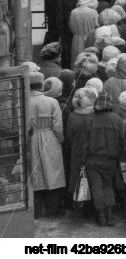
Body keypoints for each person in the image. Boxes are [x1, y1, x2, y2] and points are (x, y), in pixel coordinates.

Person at [81, 92, 126, 226]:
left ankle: (101, 217)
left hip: (93, 160)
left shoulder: (90, 119)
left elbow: (84, 143)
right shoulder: (117, 119)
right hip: (111, 160)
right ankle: (110, 216)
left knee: (96, 186)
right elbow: (122, 140)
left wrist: (82, 161)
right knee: (108, 185)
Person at [29, 71, 66, 218]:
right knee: (53, 172)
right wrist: (60, 139)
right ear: (41, 84)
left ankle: (35, 211)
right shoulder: (52, 102)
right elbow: (58, 125)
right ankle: (53, 209)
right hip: (50, 137)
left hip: (30, 138)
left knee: (34, 173)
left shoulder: (24, 101)